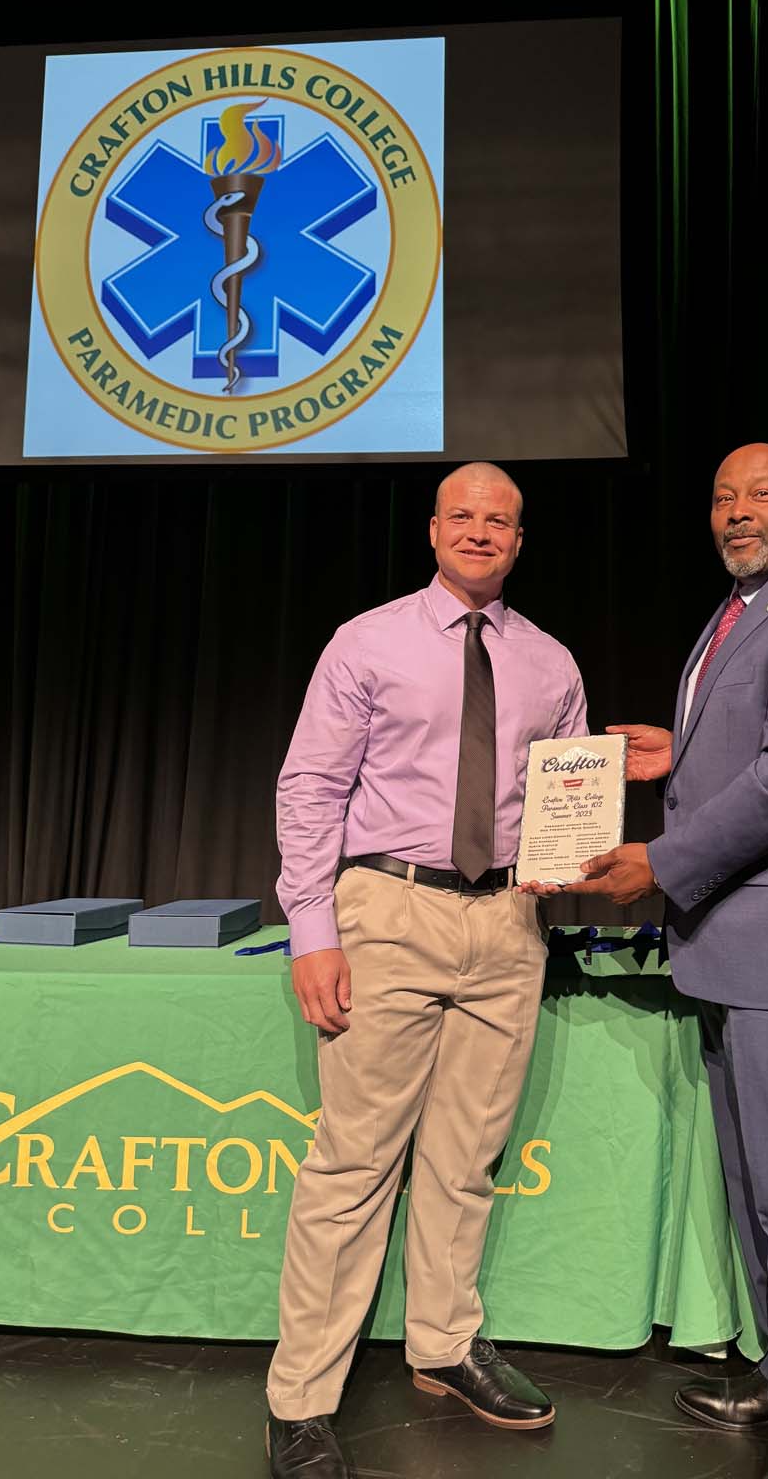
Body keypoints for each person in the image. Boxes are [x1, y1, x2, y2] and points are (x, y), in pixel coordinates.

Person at [531, 443, 768, 1479]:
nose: (738, 511)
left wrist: (660, 860)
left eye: (762, 495)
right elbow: (761, 744)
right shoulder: (746, 607)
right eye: (722, 495)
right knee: (759, 1198)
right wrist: (683, 752)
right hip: (738, 953)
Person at [266, 462, 587, 1479]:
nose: (483, 531)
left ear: (521, 540)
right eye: (466, 516)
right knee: (356, 1161)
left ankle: (444, 1345)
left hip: (506, 920)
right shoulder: (367, 641)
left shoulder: (551, 662)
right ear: (433, 530)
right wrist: (312, 925)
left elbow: (567, 795)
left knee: (465, 1157)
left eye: (502, 520)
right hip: (387, 909)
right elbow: (311, 783)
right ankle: (302, 1397)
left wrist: (571, 862)